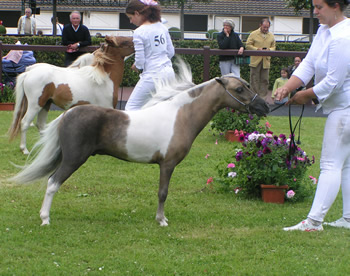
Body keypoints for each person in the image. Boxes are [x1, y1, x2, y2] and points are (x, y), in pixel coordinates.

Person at [275, 0, 350, 232]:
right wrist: (288, 87)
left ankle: (314, 222)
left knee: (330, 164)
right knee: (346, 165)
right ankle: (348, 219)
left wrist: (305, 95)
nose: (315, 12)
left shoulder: (343, 38)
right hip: (342, 108)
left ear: (336, 5)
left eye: (319, 7)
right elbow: (308, 64)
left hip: (345, 109)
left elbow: (333, 83)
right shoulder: (324, 30)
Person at [124, 0, 175, 111]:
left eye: (130, 17)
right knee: (159, 109)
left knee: (131, 108)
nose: (131, 21)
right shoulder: (162, 27)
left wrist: (136, 66)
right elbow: (171, 52)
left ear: (137, 13)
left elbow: (140, 61)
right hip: (169, 73)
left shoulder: (139, 32)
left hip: (152, 75)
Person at [246, 18, 276, 99]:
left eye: (267, 27)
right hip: (255, 60)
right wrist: (257, 49)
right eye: (264, 27)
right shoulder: (253, 34)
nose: (266, 29)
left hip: (266, 61)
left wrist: (270, 50)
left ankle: (263, 98)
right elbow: (248, 45)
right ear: (260, 25)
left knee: (265, 80)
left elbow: (274, 46)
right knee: (254, 79)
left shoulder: (271, 35)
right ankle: (254, 97)